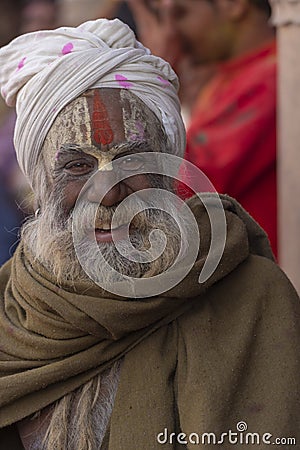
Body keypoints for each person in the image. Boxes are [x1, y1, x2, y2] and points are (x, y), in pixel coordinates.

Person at [0, 18, 299, 450]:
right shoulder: (12, 310)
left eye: (132, 161)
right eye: (78, 166)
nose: (108, 193)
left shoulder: (252, 298)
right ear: (41, 183)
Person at [128, 0, 278, 257]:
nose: (171, 33)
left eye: (181, 13)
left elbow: (184, 183)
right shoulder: (232, 75)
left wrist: (152, 78)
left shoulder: (274, 76)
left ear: (233, 5)